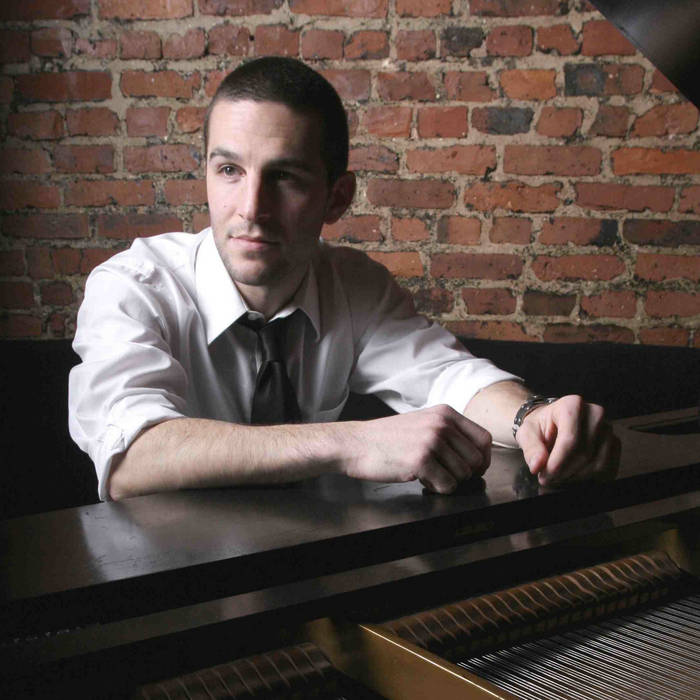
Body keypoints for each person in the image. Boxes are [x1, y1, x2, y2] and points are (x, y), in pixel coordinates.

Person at [69, 57, 620, 502]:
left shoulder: (353, 286)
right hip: (164, 584)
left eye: (285, 176)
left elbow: (449, 378)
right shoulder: (133, 287)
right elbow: (130, 457)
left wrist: (533, 417)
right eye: (230, 170)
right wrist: (351, 443)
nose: (251, 208)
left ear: (337, 198)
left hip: (313, 575)